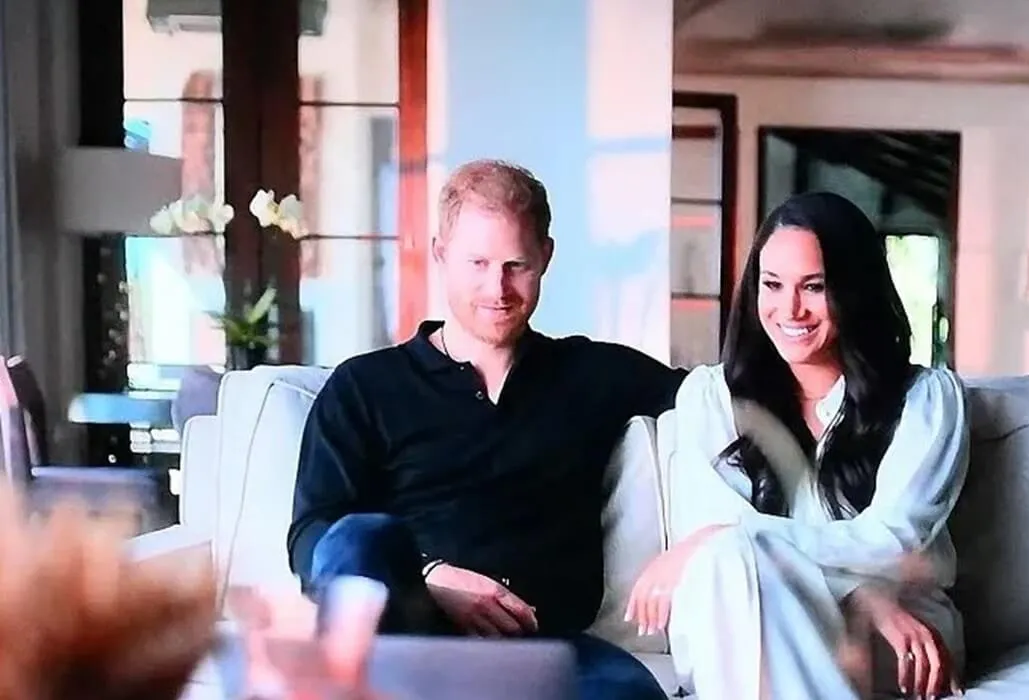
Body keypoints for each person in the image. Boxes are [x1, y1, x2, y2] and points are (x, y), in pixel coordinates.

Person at [286, 159, 684, 700]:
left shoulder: (593, 373)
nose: (497, 288)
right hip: (408, 638)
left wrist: (707, 536)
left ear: (545, 257)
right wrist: (432, 576)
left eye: (516, 265)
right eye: (477, 263)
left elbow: (723, 396)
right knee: (358, 537)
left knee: (629, 693)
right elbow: (312, 537)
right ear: (440, 254)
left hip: (543, 649)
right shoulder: (365, 386)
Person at [625, 192, 969, 699]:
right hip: (750, 614)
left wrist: (735, 532)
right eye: (772, 284)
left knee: (731, 553)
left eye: (814, 286)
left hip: (893, 631)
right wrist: (860, 590)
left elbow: (895, 541)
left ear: (854, 290)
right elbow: (724, 558)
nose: (789, 309)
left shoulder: (928, 399)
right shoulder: (710, 396)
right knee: (729, 567)